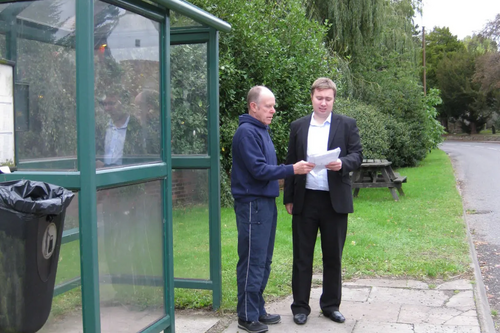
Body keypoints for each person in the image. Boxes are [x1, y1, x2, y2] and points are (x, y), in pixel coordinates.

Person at [231, 86, 315, 333]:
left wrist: (287, 170)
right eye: (268, 106)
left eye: (273, 105)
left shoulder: (261, 131)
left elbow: (264, 168)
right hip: (252, 205)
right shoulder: (247, 133)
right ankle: (246, 316)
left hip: (265, 203)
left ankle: (256, 309)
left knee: (264, 261)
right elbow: (259, 170)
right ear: (253, 106)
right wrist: (292, 169)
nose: (273, 110)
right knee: (252, 261)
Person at [283, 78, 363, 326]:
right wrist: (288, 197)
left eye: (328, 99)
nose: (323, 103)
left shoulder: (347, 124)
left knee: (333, 257)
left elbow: (357, 155)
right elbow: (291, 160)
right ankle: (300, 307)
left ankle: (330, 305)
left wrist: (342, 164)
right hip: (305, 200)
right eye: (319, 98)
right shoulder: (298, 126)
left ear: (334, 99)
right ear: (312, 97)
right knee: (302, 256)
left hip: (334, 201)